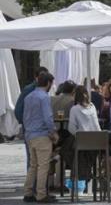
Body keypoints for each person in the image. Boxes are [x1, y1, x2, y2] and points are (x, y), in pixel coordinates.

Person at [22, 72, 58, 203]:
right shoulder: (44, 97)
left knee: (33, 165)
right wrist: (53, 133)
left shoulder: (28, 96)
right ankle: (41, 194)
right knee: (43, 166)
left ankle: (28, 192)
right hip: (42, 135)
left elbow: (25, 117)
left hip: (30, 135)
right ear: (48, 83)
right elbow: (48, 118)